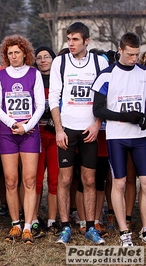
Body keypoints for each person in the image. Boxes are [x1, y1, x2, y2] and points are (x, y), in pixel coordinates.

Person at [48, 22, 108, 244]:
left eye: (75, 39)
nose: (70, 44)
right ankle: (65, 228)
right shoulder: (60, 62)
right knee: (64, 178)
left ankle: (90, 226)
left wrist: (97, 124)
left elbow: (105, 95)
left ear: (86, 41)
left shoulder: (99, 62)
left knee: (89, 180)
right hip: (67, 129)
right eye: (69, 39)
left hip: (90, 129)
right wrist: (59, 129)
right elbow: (53, 97)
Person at [93, 32, 146, 247]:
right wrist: (124, 116)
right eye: (130, 54)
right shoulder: (107, 74)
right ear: (120, 50)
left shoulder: (143, 73)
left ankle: (144, 229)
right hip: (117, 137)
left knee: (145, 183)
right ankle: (124, 232)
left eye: (137, 55)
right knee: (120, 183)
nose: (134, 58)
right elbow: (97, 109)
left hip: (141, 137)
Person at [0, 35, 45, 244]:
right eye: (10, 53)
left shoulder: (34, 74)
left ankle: (28, 225)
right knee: (11, 180)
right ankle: (15, 223)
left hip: (29, 133)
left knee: (29, 180)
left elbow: (40, 105)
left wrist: (27, 126)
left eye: (17, 52)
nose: (13, 56)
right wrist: (13, 123)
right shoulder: (0, 76)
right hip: (8, 133)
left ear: (25, 53)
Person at [33, 45, 59, 236]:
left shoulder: (60, 79)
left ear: (53, 58)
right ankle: (33, 218)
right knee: (35, 180)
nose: (43, 60)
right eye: (39, 57)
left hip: (55, 135)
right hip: (37, 135)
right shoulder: (33, 79)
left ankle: (51, 219)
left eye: (46, 57)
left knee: (55, 180)